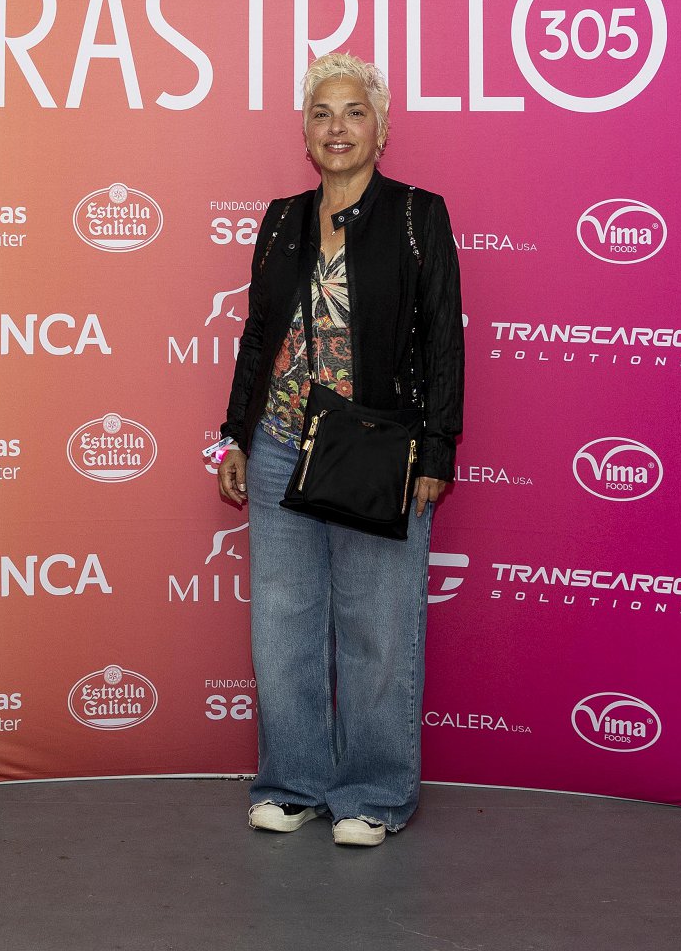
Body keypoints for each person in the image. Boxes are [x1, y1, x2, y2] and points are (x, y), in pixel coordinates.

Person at [216, 52, 464, 848]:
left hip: (376, 451)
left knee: (378, 630)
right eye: (322, 113)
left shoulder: (418, 215)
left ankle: (373, 795)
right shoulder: (283, 218)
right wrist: (235, 433)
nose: (338, 127)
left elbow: (443, 344)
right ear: (305, 131)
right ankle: (291, 785)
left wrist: (436, 452)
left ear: (380, 129)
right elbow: (259, 335)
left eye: (355, 111)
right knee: (281, 627)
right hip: (279, 446)